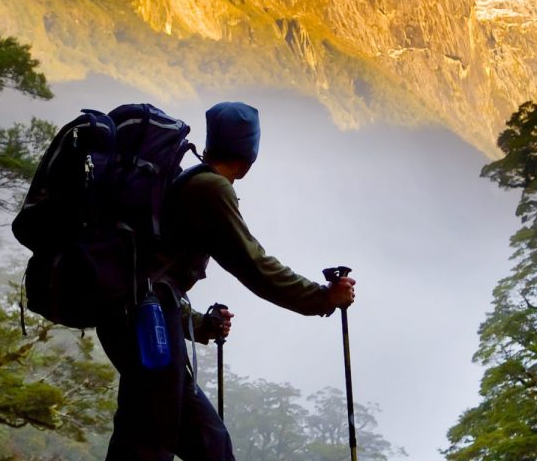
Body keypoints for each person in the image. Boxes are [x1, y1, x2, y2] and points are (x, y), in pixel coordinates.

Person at [95, 101, 358, 460]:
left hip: (140, 318)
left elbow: (154, 271)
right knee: (148, 442)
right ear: (249, 158)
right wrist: (323, 298)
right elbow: (254, 266)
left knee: (207, 443)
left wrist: (199, 325)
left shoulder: (186, 181)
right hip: (147, 321)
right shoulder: (211, 189)